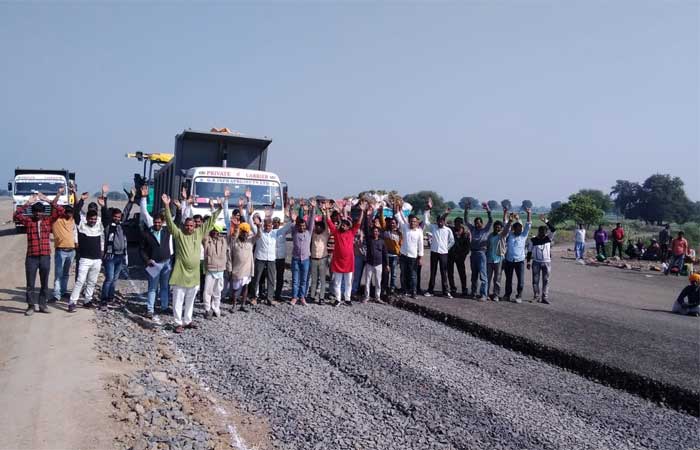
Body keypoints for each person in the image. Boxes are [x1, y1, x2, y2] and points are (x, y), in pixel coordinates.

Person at [162, 193, 221, 333]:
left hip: (194, 275)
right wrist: (166, 205)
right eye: (187, 225)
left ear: (194, 226)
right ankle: (178, 322)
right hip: (180, 274)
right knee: (178, 300)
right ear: (184, 226)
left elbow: (211, 221)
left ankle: (187, 320)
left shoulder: (199, 233)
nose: (189, 227)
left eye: (191, 225)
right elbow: (170, 223)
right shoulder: (179, 234)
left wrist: (218, 208)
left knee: (190, 300)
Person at [14, 190, 63, 315]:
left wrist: (47, 200)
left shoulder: (48, 221)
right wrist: (28, 203)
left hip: (45, 256)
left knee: (44, 283)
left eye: (40, 211)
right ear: (33, 212)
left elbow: (60, 211)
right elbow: (16, 216)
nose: (38, 214)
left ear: (43, 212)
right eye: (36, 212)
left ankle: (42, 305)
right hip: (31, 257)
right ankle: (31, 306)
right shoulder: (29, 222)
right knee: (30, 284)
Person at [139, 185, 173, 318]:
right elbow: (141, 250)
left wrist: (168, 205)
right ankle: (150, 310)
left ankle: (164, 307)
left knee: (165, 286)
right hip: (153, 264)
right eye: (156, 222)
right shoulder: (148, 232)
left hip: (166, 263)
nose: (157, 224)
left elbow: (175, 220)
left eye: (159, 222)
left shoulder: (166, 230)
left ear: (163, 222)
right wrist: (147, 260)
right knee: (153, 288)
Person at [325, 200, 366, 305]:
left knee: (348, 282)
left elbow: (359, 223)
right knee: (337, 282)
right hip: (338, 262)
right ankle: (338, 299)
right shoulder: (336, 232)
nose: (344, 225)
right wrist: (326, 211)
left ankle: (347, 299)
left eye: (346, 224)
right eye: (343, 224)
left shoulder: (352, 232)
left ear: (349, 226)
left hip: (349, 262)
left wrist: (362, 211)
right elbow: (329, 222)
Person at [98, 185, 128, 310]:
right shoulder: (108, 225)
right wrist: (104, 197)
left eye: (118, 217)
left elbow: (126, 211)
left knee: (115, 279)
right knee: (109, 278)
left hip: (120, 256)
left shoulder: (122, 225)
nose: (117, 218)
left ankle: (111, 298)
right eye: (115, 216)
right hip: (110, 256)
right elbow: (105, 214)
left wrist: (131, 200)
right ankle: (103, 300)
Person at [70, 208, 105, 312]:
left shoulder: (99, 226)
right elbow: (76, 213)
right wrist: (80, 200)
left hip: (97, 259)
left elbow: (106, 217)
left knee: (92, 282)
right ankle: (72, 302)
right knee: (80, 281)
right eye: (91, 219)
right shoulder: (81, 226)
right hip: (85, 259)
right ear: (86, 219)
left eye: (94, 219)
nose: (93, 221)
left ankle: (87, 301)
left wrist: (104, 202)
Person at [423, 199, 455, 298]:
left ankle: (446, 292)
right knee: (433, 272)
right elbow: (425, 221)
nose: (440, 222)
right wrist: (427, 209)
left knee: (443, 272)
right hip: (434, 252)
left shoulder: (448, 230)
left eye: (442, 221)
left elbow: (452, 241)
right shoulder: (433, 227)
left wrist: (446, 248)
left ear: (444, 221)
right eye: (439, 221)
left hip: (444, 253)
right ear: (437, 221)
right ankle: (430, 290)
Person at [393, 199, 424, 299]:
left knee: (413, 275)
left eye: (414, 222)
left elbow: (421, 245)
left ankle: (413, 292)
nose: (412, 223)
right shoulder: (405, 227)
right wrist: (397, 205)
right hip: (403, 255)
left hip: (413, 256)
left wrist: (420, 257)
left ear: (417, 223)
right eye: (411, 221)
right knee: (403, 274)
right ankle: (404, 290)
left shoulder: (419, 232)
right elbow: (398, 216)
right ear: (409, 222)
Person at [227, 216, 258, 312]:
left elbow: (258, 235)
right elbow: (234, 235)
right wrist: (236, 227)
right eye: (243, 232)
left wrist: (259, 226)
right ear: (240, 232)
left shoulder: (250, 241)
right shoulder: (235, 242)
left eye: (246, 233)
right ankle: (234, 305)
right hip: (237, 269)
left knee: (245, 287)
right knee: (235, 289)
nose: (245, 234)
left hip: (247, 269)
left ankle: (242, 305)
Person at [288, 198, 315, 305]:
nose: (302, 227)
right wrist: (291, 207)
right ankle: (294, 297)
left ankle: (302, 297)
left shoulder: (308, 232)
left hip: (306, 260)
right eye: (301, 225)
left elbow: (312, 220)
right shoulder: (294, 232)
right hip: (295, 259)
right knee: (295, 280)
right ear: (298, 226)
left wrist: (313, 208)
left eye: (304, 225)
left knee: (304, 280)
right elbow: (292, 219)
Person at [465, 203, 494, 300]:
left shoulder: (485, 230)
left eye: (479, 223)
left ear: (482, 223)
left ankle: (484, 295)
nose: (477, 224)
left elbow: (491, 220)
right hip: (473, 254)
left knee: (483, 275)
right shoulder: (472, 229)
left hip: (481, 254)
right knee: (474, 275)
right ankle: (473, 292)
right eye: (476, 223)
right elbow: (466, 220)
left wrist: (488, 210)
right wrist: (466, 210)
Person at [503, 209, 531, 303]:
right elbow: (505, 224)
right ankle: (507, 295)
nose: (519, 230)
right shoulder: (509, 235)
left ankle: (519, 295)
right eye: (517, 229)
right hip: (509, 260)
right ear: (514, 229)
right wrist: (505, 213)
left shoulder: (523, 235)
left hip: (520, 261)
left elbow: (528, 225)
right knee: (508, 279)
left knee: (521, 280)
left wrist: (529, 213)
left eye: (521, 229)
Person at [526, 215, 556, 304]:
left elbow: (553, 229)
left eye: (544, 231)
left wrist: (546, 221)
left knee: (546, 280)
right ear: (538, 231)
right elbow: (529, 252)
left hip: (547, 262)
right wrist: (528, 261)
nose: (542, 233)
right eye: (541, 231)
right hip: (536, 262)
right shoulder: (533, 240)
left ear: (546, 232)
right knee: (535, 280)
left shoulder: (548, 238)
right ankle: (536, 296)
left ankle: (544, 297)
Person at [51, 203, 76, 303]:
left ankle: (63, 291)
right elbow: (53, 206)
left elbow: (77, 208)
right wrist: (58, 195)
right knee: (58, 274)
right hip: (61, 250)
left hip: (71, 251)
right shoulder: (56, 220)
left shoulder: (71, 220)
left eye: (71, 213)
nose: (70, 215)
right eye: (68, 212)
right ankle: (57, 294)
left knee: (66, 274)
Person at [202, 223, 229, 318]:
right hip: (210, 269)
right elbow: (204, 233)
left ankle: (216, 308)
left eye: (217, 231)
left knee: (218, 292)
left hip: (220, 270)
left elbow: (233, 234)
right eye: (213, 231)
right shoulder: (207, 240)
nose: (215, 233)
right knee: (207, 291)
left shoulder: (224, 240)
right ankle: (207, 309)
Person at [486, 209, 511, 302]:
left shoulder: (502, 235)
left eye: (499, 227)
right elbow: (487, 246)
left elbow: (506, 228)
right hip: (489, 260)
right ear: (494, 228)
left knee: (497, 279)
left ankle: (496, 295)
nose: (497, 229)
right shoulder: (490, 236)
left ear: (501, 228)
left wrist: (510, 221)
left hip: (499, 260)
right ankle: (486, 294)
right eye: (496, 227)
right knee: (487, 278)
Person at [308, 201, 330, 303]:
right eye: (316, 226)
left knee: (322, 280)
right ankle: (312, 296)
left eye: (319, 226)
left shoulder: (325, 234)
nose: (317, 227)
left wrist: (325, 212)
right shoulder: (312, 234)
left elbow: (326, 222)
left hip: (323, 259)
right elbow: (311, 222)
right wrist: (313, 209)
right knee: (314, 279)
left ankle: (321, 298)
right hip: (313, 259)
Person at [378, 207, 402, 297]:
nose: (392, 224)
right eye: (391, 223)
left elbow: (400, 244)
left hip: (395, 256)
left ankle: (392, 288)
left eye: (394, 223)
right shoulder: (385, 230)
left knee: (394, 274)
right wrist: (381, 213)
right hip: (386, 255)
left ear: (396, 224)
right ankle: (384, 288)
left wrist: (399, 254)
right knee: (385, 273)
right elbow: (382, 221)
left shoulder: (399, 234)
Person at [362, 226, 388, 303]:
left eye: (376, 231)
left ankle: (378, 297)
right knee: (367, 281)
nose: (375, 232)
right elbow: (366, 230)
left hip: (379, 264)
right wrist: (366, 216)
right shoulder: (369, 240)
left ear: (379, 233)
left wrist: (387, 264)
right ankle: (366, 297)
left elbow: (385, 253)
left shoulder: (382, 241)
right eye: (374, 231)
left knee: (378, 282)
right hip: (369, 263)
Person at [447, 218, 470, 297]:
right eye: (456, 223)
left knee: (462, 273)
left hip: (461, 257)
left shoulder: (466, 234)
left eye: (459, 223)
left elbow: (467, 247)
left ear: (462, 224)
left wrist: (463, 256)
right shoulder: (451, 231)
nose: (457, 224)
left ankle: (464, 288)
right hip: (451, 255)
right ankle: (452, 288)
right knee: (450, 273)